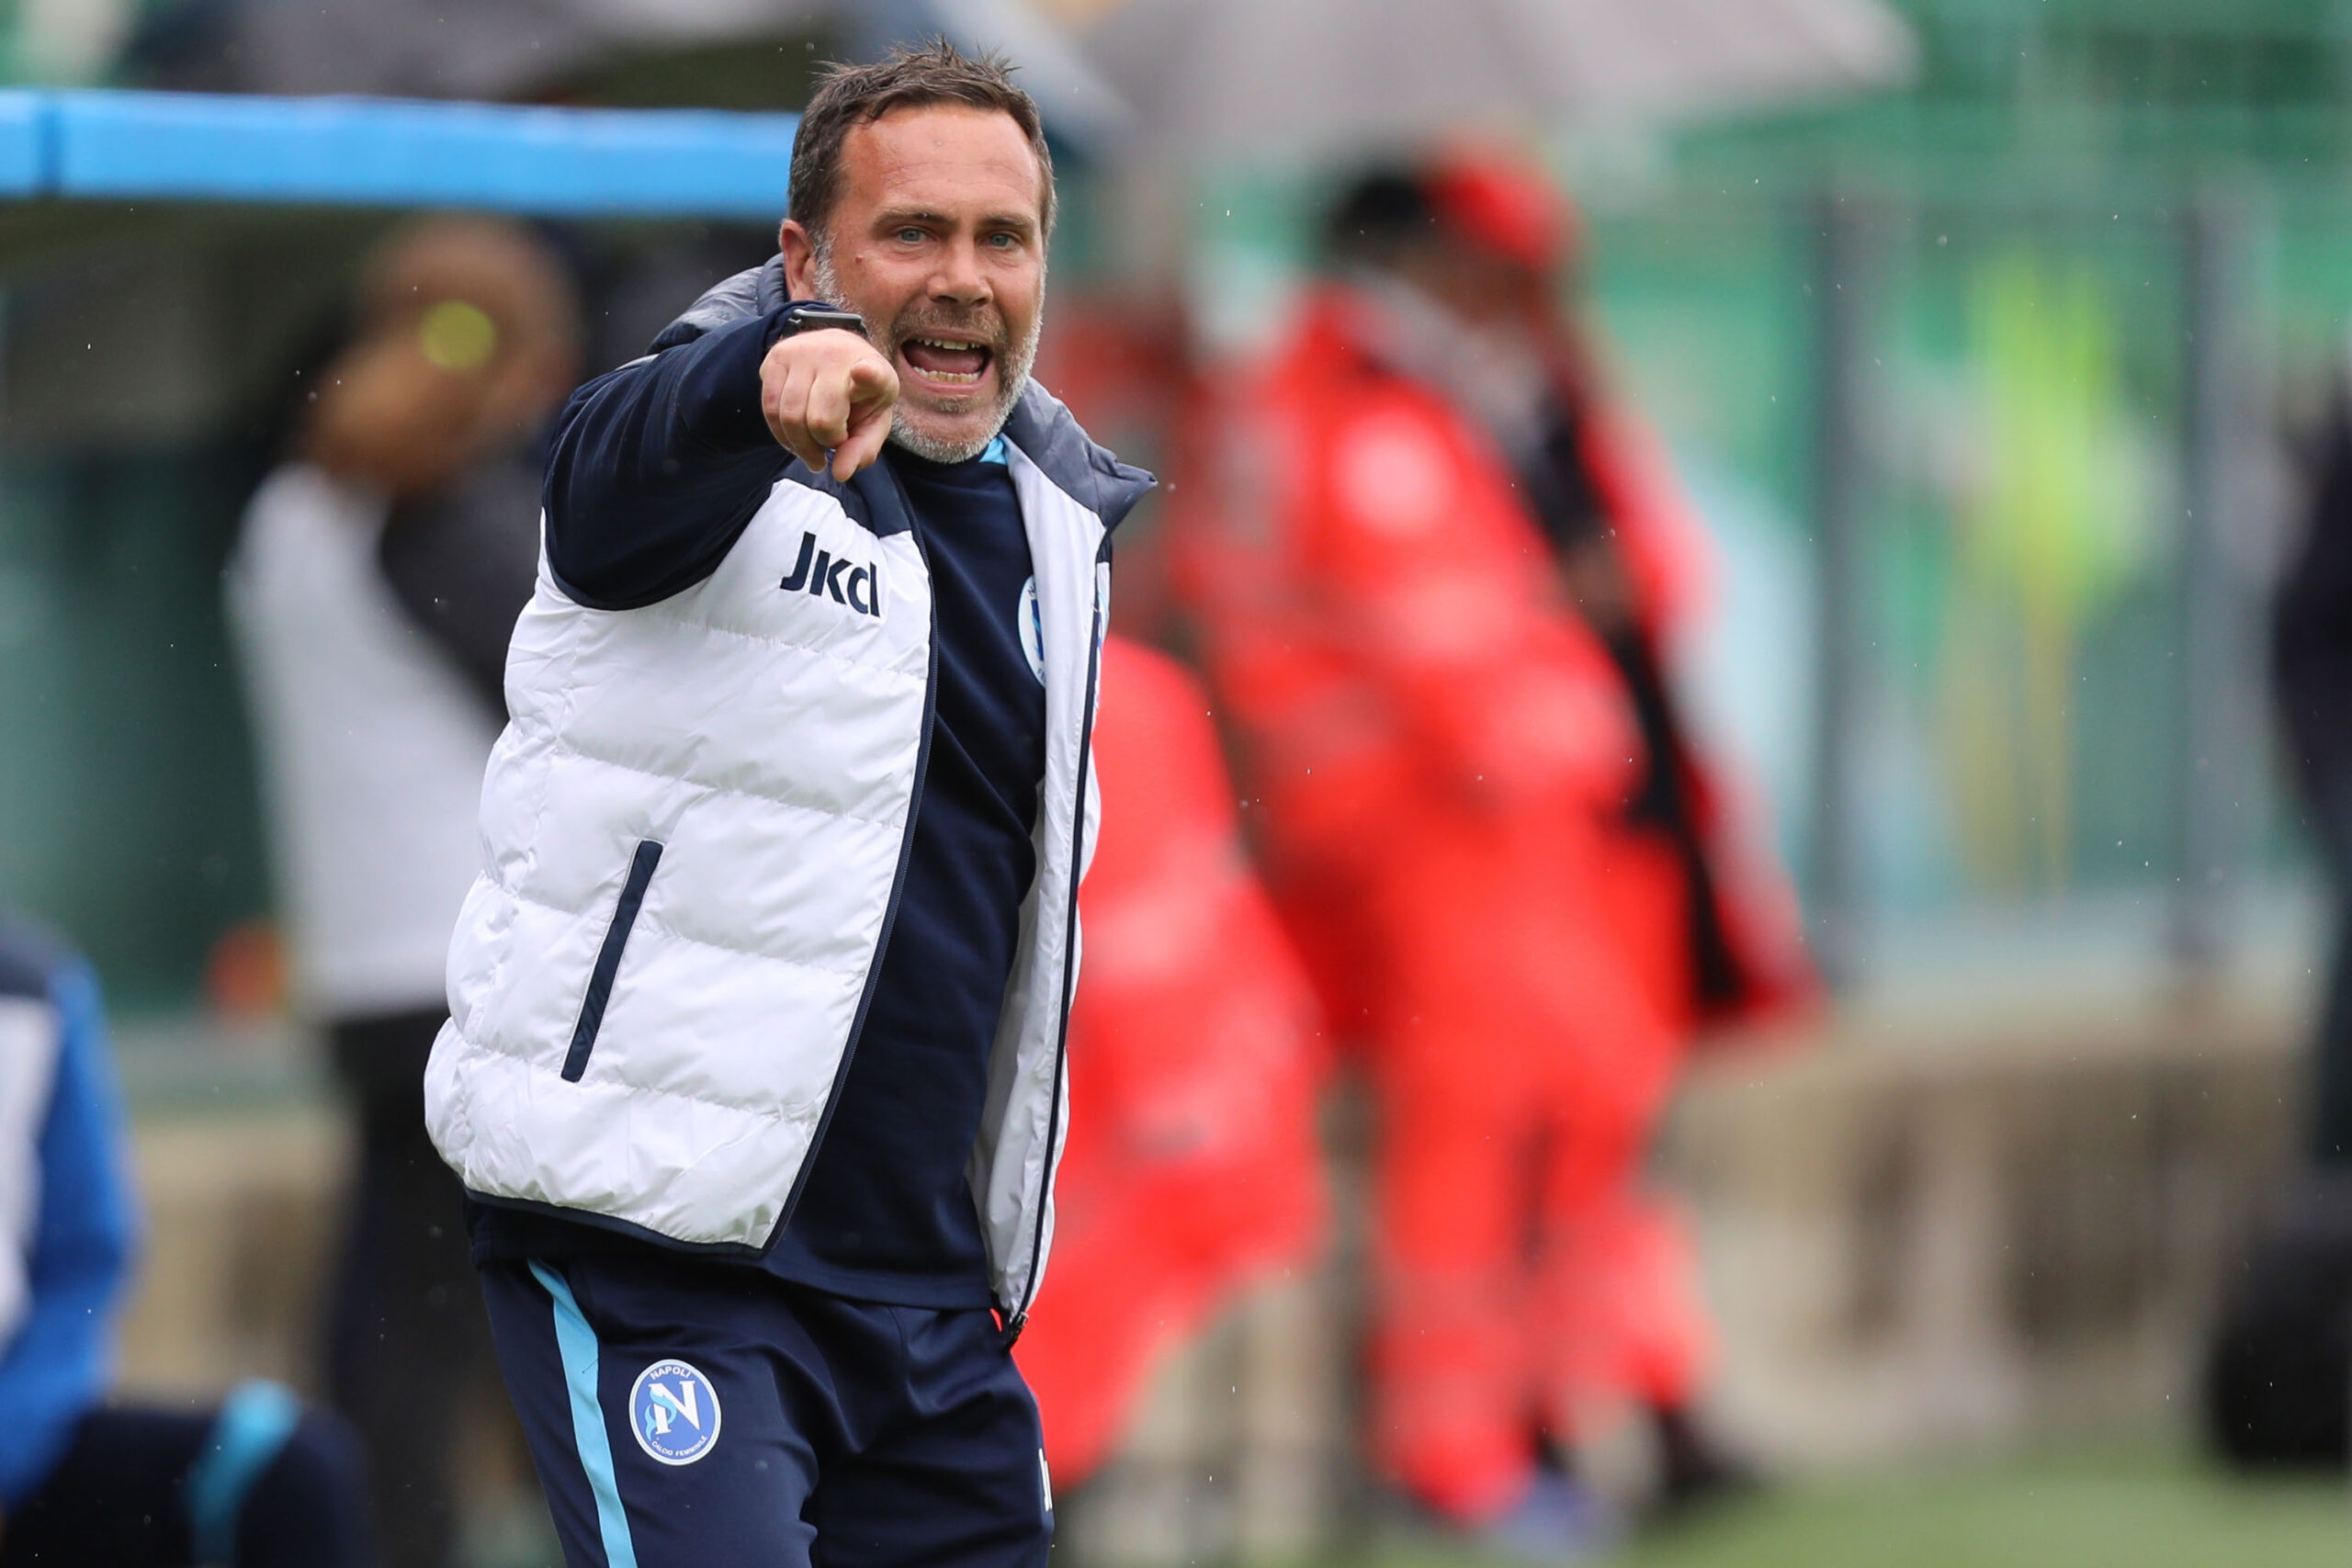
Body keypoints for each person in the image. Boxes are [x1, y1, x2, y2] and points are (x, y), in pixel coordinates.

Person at [423, 41, 1151, 1568]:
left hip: (927, 1295)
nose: (962, 279)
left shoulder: (1061, 526)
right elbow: (602, 486)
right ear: (805, 258)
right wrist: (762, 379)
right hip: (662, 1253)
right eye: (912, 233)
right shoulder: (698, 429)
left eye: (1002, 237)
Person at [1168, 156, 1809, 1554]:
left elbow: (1621, 582)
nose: (1509, 301)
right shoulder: (1366, 414)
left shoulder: (1364, 398)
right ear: (1424, 263)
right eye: (1490, 270)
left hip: (1452, 823)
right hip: (1435, 826)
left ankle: (1553, 1414)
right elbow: (1459, 656)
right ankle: (1456, 1447)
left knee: (1577, 1105)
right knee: (1480, 1121)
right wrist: (1580, 713)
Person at [226, 215, 580, 1568]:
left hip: (365, 972)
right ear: (527, 366)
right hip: (483, 970)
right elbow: (584, 719)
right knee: (498, 1325)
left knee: (396, 1305)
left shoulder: (288, 512)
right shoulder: (444, 518)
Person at [1013, 634, 1328, 1488]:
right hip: (1147, 1079)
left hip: (1117, 1081)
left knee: (1083, 1318)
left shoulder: (1102, 692)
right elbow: (1170, 913)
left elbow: (1164, 914)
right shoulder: (1136, 695)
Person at [0, 908, 374, 1567]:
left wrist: (12, 1443)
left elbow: (82, 1257)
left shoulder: (32, 990)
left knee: (289, 1472)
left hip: (17, 1446)